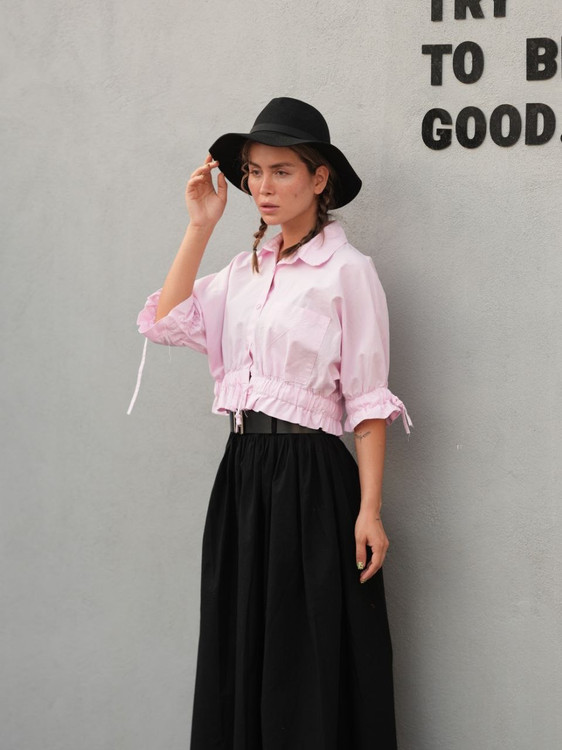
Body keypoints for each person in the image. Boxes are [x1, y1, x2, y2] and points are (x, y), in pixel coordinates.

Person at [128, 97, 412, 750]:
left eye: (282, 171)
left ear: (320, 178)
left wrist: (370, 511)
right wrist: (199, 226)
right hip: (241, 475)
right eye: (254, 172)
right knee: (241, 647)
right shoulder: (242, 272)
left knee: (302, 654)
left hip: (312, 479)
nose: (263, 186)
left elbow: (368, 401)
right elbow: (166, 321)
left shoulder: (348, 272)